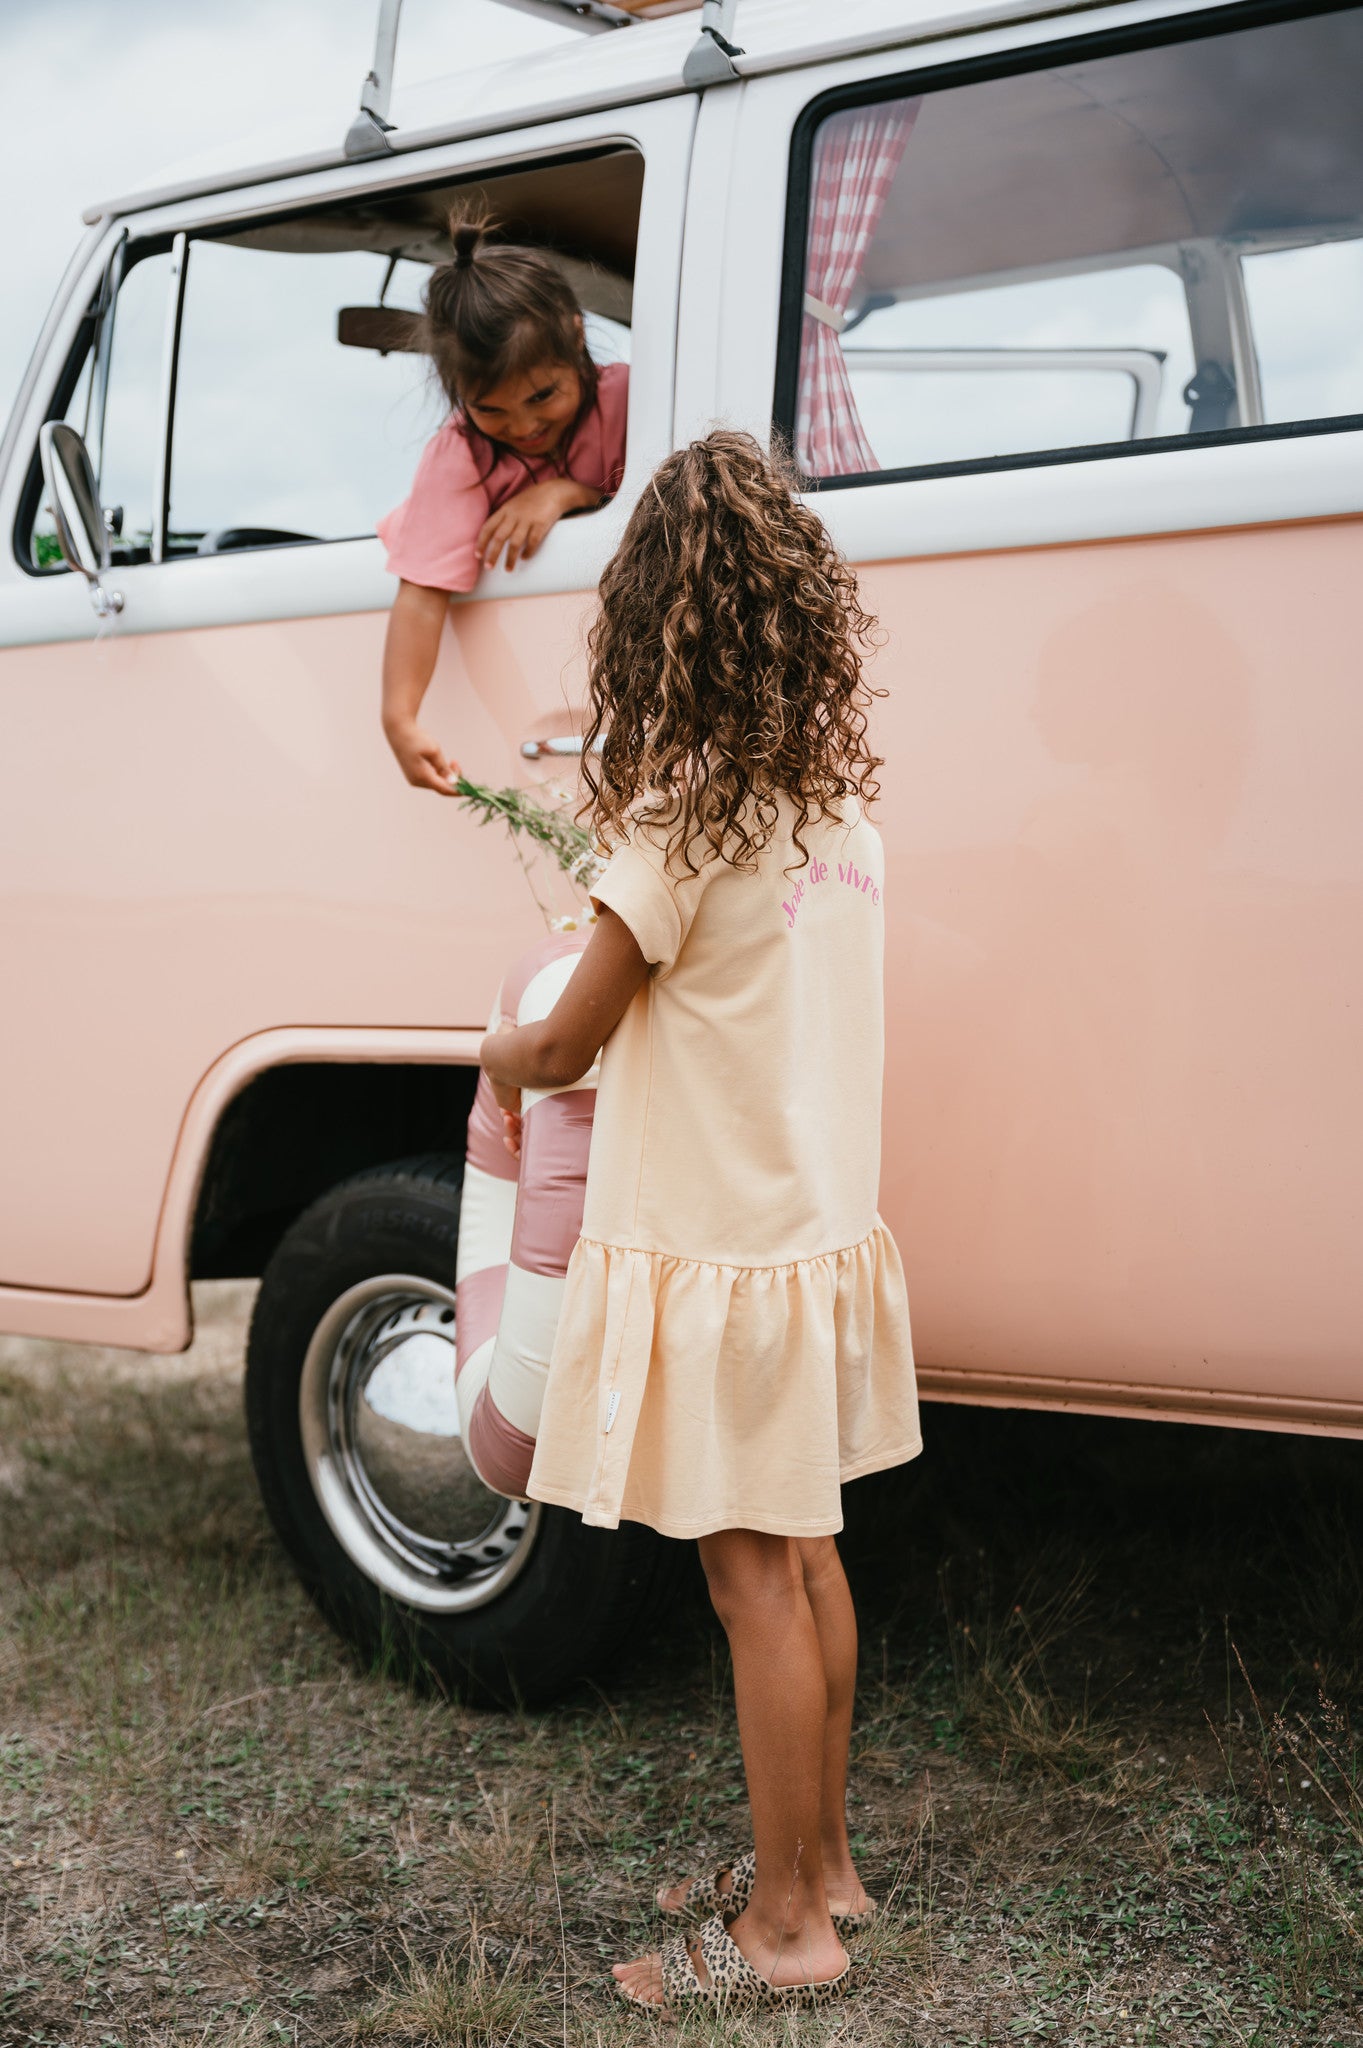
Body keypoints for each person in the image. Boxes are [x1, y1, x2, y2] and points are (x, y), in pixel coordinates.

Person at [479, 429, 922, 2014]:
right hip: (807, 1243)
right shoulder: (837, 821)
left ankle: (783, 1929)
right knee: (806, 1558)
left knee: (749, 1580)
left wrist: (494, 1058)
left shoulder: (679, 820)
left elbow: (568, 1036)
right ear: (797, 611)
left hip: (726, 1256)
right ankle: (824, 1862)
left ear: (654, 620)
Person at [378, 214, 629, 795]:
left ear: (577, 337)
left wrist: (569, 493)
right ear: (458, 393)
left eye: (543, 395)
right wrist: (399, 717)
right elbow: (420, 594)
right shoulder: (461, 452)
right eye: (492, 409)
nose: (525, 425)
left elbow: (667, 499)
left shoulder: (628, 400)